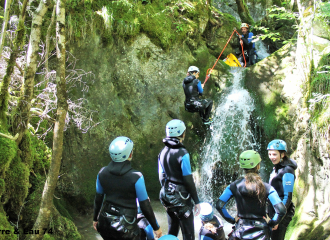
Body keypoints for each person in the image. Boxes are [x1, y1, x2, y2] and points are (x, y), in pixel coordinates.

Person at [93, 136, 162, 240]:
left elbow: (98, 198)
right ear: (129, 154)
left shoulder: (102, 172)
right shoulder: (136, 177)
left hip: (104, 223)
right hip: (125, 226)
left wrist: (95, 219)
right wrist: (156, 227)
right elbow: (145, 205)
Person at [216, 150, 287, 240]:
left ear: (242, 167)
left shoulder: (233, 186)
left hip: (241, 230)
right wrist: (272, 223)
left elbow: (219, 205)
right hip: (262, 232)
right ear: (258, 166)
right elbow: (281, 210)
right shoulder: (267, 187)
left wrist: (232, 220)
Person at [158, 119, 201, 240]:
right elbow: (188, 179)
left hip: (167, 196)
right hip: (181, 198)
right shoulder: (183, 153)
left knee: (172, 230)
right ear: (182, 134)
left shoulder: (162, 152)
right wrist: (197, 201)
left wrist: (169, 192)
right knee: (188, 234)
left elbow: (161, 177)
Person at [267, 139, 297, 240]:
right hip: (274, 210)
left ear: (282, 154)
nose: (271, 157)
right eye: (270, 154)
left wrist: (277, 219)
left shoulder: (287, 170)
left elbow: (287, 197)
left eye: (274, 154)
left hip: (282, 213)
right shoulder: (277, 167)